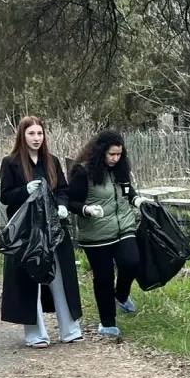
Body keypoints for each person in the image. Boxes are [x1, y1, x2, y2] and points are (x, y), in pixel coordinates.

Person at [0, 115, 84, 348]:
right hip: (27, 232)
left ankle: (70, 329)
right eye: (31, 134)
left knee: (61, 276)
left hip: (54, 228)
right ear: (22, 136)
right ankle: (35, 333)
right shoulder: (11, 162)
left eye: (40, 133)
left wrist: (63, 206)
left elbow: (63, 190)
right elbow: (5, 196)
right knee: (30, 278)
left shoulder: (52, 162)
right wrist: (25, 190)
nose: (36, 138)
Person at [67, 128, 153, 338]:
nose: (116, 158)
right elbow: (72, 202)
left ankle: (121, 295)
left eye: (119, 154)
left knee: (131, 262)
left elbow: (126, 189)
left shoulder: (120, 169)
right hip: (96, 234)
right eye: (111, 154)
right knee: (103, 277)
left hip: (124, 225)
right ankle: (107, 323)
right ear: (100, 152)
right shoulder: (83, 172)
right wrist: (86, 210)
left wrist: (136, 200)